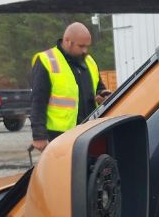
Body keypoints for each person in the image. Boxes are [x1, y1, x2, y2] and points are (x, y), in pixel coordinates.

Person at [29, 22, 110, 152]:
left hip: (89, 132)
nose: (85, 50)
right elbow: (38, 101)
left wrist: (103, 95)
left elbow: (99, 88)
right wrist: (39, 136)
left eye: (87, 46)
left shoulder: (89, 61)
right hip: (59, 135)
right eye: (81, 46)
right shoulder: (47, 61)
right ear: (67, 41)